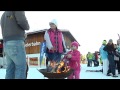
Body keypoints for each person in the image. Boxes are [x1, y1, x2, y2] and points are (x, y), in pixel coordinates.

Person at [0, 11, 30, 79]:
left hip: (6, 43)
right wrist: (27, 26)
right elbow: (22, 22)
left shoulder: (4, 14)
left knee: (10, 69)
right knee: (21, 68)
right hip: (16, 42)